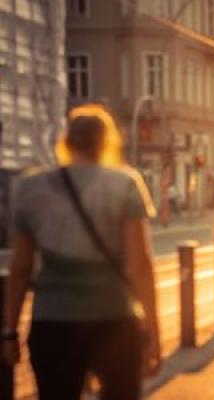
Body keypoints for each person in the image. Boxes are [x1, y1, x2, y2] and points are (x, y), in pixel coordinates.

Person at [1, 104, 162, 399]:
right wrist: (152, 330)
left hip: (53, 322)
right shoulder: (124, 184)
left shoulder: (30, 188)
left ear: (66, 141)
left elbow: (20, 269)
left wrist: (9, 332)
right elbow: (139, 265)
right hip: (112, 320)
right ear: (107, 142)